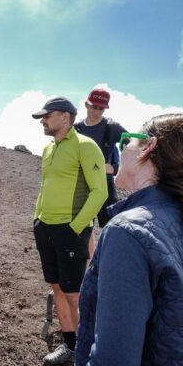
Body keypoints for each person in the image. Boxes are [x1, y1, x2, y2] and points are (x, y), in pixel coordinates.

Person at [75, 114, 183, 366]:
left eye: (126, 142)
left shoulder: (128, 232)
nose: (122, 151)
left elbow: (112, 364)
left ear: (149, 146)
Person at [32, 97, 108, 366]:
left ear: (65, 116)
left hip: (71, 230)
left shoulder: (86, 147)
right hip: (46, 229)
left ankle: (90, 350)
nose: (43, 120)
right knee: (58, 288)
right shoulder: (48, 149)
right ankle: (71, 345)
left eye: (47, 116)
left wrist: (75, 228)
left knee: (76, 293)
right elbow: (44, 187)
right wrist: (37, 219)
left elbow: (100, 191)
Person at [74, 89, 127, 256]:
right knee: (83, 226)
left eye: (101, 109)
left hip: (105, 185)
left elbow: (133, 147)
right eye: (93, 107)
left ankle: (109, 263)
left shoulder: (113, 128)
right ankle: (89, 263)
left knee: (111, 227)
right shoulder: (76, 129)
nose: (96, 111)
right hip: (82, 185)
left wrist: (116, 168)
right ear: (86, 104)